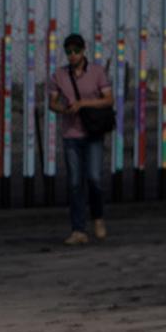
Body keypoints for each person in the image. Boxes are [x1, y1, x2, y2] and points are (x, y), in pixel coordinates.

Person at [46, 32, 114, 246]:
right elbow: (52, 103)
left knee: (94, 177)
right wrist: (63, 109)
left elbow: (108, 100)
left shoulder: (97, 72)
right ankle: (78, 229)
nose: (73, 55)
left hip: (92, 133)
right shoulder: (59, 75)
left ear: (84, 50)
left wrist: (83, 104)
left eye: (76, 51)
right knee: (75, 183)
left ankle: (98, 217)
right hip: (71, 135)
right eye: (69, 52)